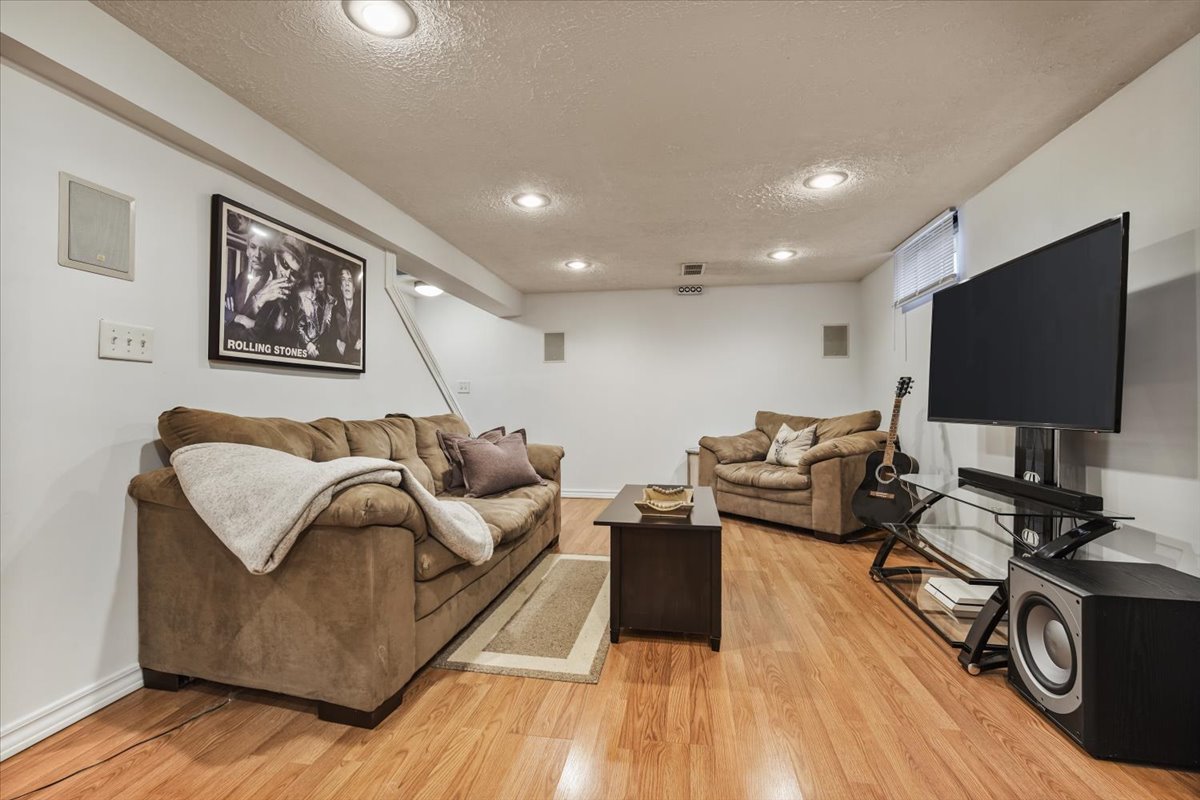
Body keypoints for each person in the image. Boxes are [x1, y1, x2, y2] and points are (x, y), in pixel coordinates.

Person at [252, 235, 307, 349]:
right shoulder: (256, 284)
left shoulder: (297, 304)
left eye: (294, 273)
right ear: (276, 259)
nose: (287, 275)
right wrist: (258, 302)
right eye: (285, 264)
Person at [296, 264, 335, 358]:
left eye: (321, 276)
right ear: (312, 280)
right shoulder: (303, 298)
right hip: (306, 351)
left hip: (326, 352)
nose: (319, 280)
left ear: (325, 278)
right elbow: (297, 327)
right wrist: (308, 344)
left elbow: (333, 330)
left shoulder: (332, 301)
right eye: (316, 276)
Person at [333, 265, 362, 363]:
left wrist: (346, 351)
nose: (347, 284)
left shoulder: (362, 312)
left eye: (350, 280)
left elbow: (362, 352)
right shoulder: (335, 311)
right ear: (341, 287)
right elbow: (334, 344)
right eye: (343, 280)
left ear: (354, 288)